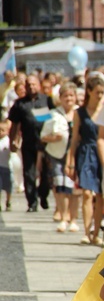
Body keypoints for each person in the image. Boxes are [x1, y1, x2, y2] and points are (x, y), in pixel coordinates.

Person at [67, 76, 104, 245]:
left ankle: (96, 233)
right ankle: (86, 231)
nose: (100, 95)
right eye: (97, 92)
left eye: (102, 93)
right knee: (86, 193)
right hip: (86, 152)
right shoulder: (80, 113)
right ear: (89, 91)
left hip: (102, 153)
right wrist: (70, 160)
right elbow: (75, 138)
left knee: (100, 194)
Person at [8, 74, 55, 212]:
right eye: (28, 85)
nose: (31, 87)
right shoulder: (19, 103)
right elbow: (15, 124)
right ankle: (32, 203)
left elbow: (54, 119)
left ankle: (43, 194)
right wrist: (13, 140)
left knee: (46, 173)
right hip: (28, 142)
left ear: (39, 85)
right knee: (29, 173)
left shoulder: (47, 100)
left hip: (46, 143)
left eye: (34, 84)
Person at [41, 82, 77, 232]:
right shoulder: (53, 114)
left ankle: (73, 219)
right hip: (57, 154)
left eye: (71, 95)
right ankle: (63, 217)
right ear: (60, 98)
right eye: (65, 96)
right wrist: (54, 138)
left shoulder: (80, 113)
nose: (68, 98)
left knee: (74, 188)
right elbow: (42, 136)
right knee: (60, 186)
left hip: (75, 155)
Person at [0, 120, 11, 210]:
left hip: (7, 167)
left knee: (8, 186)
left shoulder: (8, 141)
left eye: (2, 130)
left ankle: (8, 201)